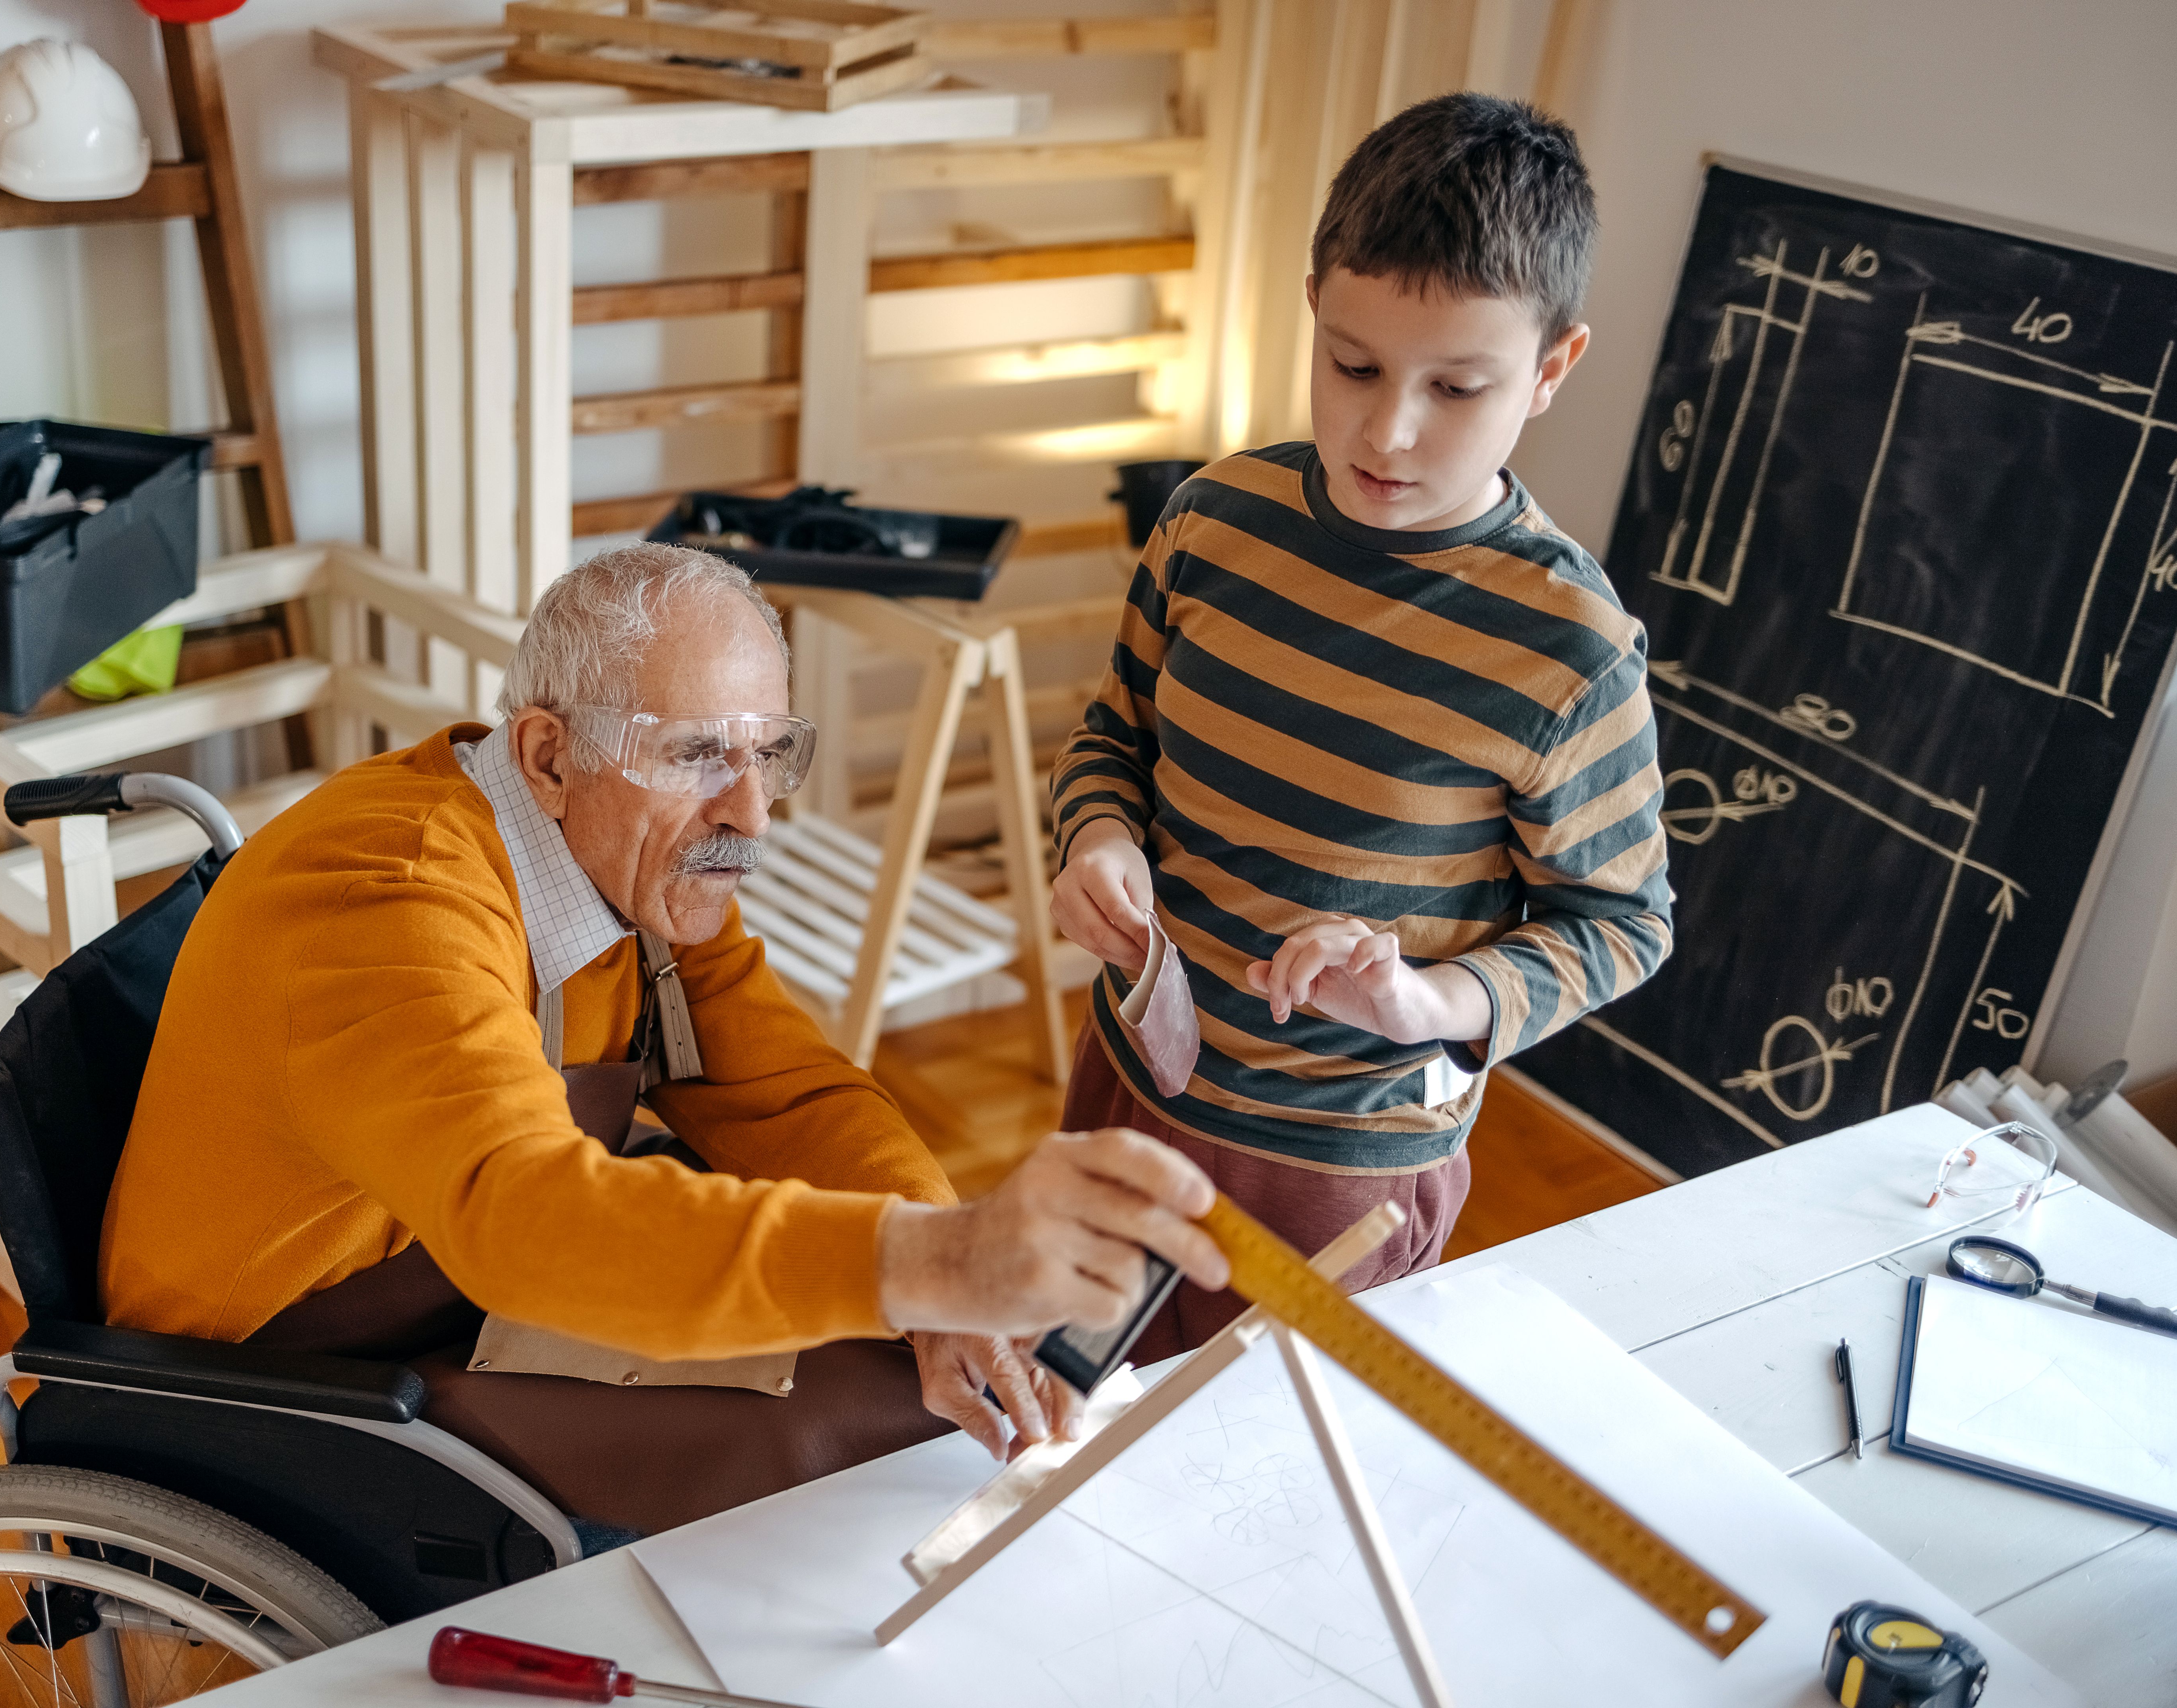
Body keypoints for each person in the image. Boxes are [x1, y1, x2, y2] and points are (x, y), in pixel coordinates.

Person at [99, 542, 1227, 1539]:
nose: (754, 814)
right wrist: (929, 1261)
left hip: (455, 1286)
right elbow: (530, 1215)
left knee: (902, 1374)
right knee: (854, 1446)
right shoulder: (389, 905)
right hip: (282, 1381)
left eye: (769, 753)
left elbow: (783, 1094)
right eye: (697, 756)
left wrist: (936, 1263)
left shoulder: (625, 865)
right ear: (548, 757)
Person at [1049, 93, 1672, 1360]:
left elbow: (1625, 926)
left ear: (1552, 370)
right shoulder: (1215, 519)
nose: (1387, 431)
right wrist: (1099, 836)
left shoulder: (1571, 649)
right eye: (1354, 365)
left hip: (1341, 1169)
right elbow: (1116, 733)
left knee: (1264, 1485)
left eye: (1457, 387)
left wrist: (1436, 1000)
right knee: (1063, 1412)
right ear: (1317, 315)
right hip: (1129, 1078)